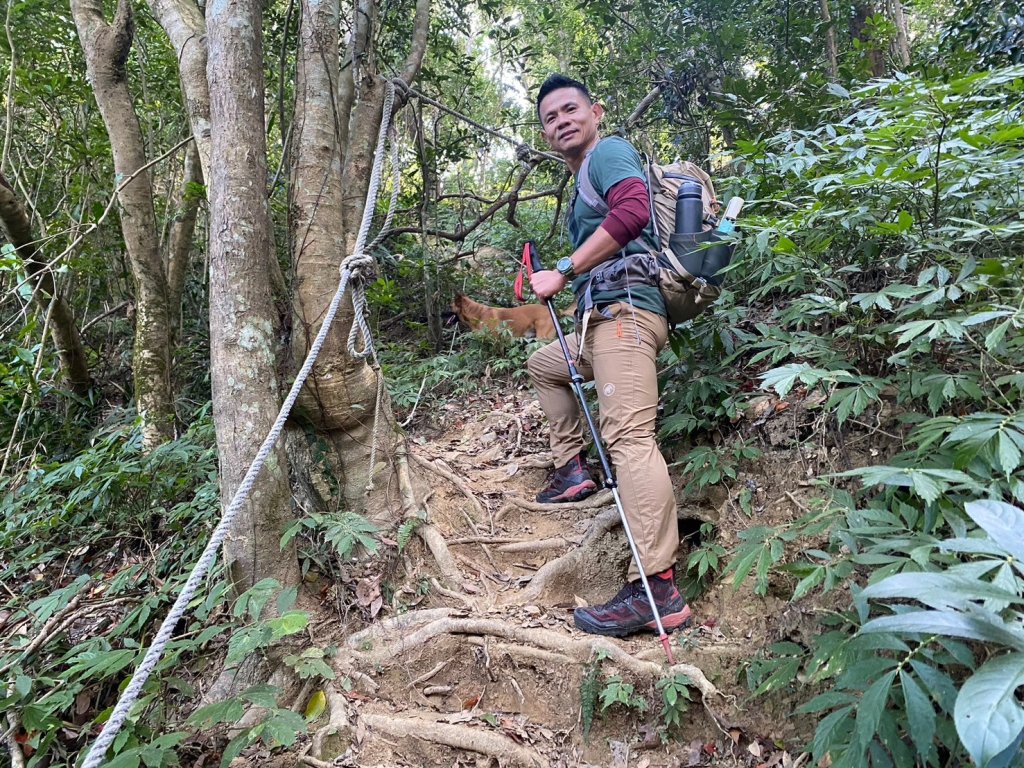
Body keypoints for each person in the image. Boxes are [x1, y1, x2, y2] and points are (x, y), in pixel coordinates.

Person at [527, 74, 691, 638]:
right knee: (546, 365)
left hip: (624, 317)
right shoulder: (582, 180)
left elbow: (635, 211)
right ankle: (572, 468)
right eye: (551, 118)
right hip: (599, 322)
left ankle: (657, 589)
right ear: (545, 134)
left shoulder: (609, 152)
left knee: (629, 440)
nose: (562, 121)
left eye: (570, 110)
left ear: (594, 111)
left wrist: (564, 270)